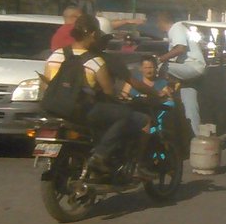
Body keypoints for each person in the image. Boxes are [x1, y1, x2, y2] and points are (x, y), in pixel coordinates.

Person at [42, 14, 152, 174]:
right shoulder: (95, 61)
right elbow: (108, 93)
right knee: (125, 114)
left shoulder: (55, 56)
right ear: (94, 35)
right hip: (80, 112)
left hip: (52, 109)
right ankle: (101, 155)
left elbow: (45, 86)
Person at [155, 10, 206, 136]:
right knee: (191, 108)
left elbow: (180, 48)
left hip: (192, 66)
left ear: (161, 22)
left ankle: (157, 88)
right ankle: (196, 138)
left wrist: (159, 59)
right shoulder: (179, 29)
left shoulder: (176, 27)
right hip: (190, 73)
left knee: (160, 66)